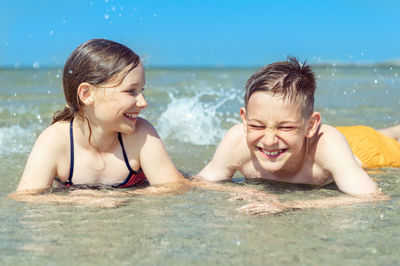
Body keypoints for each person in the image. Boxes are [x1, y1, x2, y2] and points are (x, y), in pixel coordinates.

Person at [198, 57, 398, 196]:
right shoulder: (236, 142)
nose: (268, 141)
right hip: (327, 140)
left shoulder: (328, 144)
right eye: (257, 126)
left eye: (285, 128)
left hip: (366, 151)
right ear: (244, 119)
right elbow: (202, 184)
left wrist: (293, 206)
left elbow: (370, 196)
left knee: (385, 138)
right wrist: (246, 191)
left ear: (311, 125)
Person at [15, 39, 184, 194]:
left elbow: (174, 187)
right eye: (130, 91)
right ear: (87, 94)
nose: (143, 102)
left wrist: (119, 195)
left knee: (203, 183)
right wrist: (78, 197)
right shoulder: (55, 141)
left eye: (142, 91)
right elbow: (26, 197)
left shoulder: (141, 134)